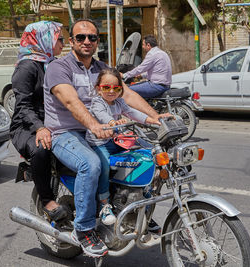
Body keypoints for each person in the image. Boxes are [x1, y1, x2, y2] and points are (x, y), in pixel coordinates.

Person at [43, 19, 165, 257]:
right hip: (66, 133)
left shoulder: (102, 68)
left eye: (92, 37)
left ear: (98, 41)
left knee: (145, 155)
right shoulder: (59, 68)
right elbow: (71, 101)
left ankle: (138, 212)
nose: (87, 41)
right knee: (91, 164)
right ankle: (85, 228)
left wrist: (157, 117)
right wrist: (95, 124)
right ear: (71, 42)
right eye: (81, 37)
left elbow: (127, 95)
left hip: (100, 130)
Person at [10, 21, 66, 221]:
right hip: (26, 126)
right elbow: (23, 106)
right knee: (41, 149)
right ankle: (47, 200)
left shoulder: (52, 63)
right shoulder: (27, 67)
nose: (62, 42)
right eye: (59, 38)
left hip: (51, 122)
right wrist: (40, 128)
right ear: (43, 39)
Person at [86, 68, 156, 226]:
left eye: (116, 88)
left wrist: (154, 120)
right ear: (99, 88)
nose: (111, 91)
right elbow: (102, 115)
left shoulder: (119, 101)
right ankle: (104, 205)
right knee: (103, 165)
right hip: (98, 143)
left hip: (115, 140)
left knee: (144, 156)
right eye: (106, 87)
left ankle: (140, 200)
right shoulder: (97, 102)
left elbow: (132, 113)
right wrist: (112, 123)